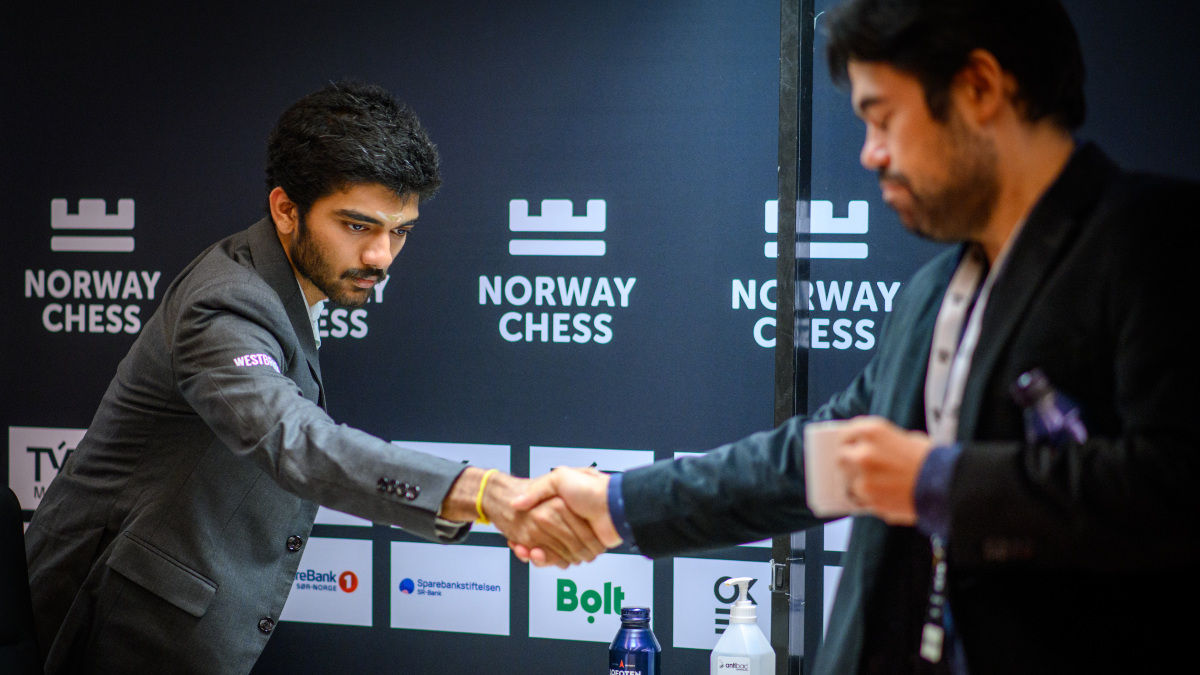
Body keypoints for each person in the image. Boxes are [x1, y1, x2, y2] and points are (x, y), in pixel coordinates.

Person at [514, 1, 1200, 673]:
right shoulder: (934, 291)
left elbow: (1175, 486)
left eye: (883, 118)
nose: (870, 154)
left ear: (980, 87)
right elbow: (815, 461)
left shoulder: (1153, 239)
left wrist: (934, 480)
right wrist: (617, 505)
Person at [24, 82, 603, 675]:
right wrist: (487, 494)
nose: (381, 255)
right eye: (357, 226)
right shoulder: (225, 303)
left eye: (399, 230)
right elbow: (296, 440)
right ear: (285, 209)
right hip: (104, 623)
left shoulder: (287, 288)